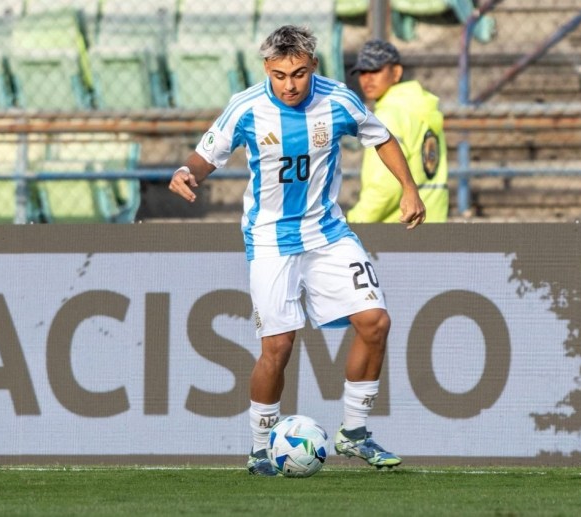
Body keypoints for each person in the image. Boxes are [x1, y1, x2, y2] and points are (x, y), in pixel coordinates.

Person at [169, 25, 425, 476]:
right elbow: (205, 156)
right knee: (278, 346)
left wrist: (409, 188)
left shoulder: (338, 100)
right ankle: (259, 448)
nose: (290, 85)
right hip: (271, 239)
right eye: (280, 75)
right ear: (266, 69)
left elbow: (382, 137)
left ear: (313, 67)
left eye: (299, 74)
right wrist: (186, 173)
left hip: (327, 232)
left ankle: (354, 432)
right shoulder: (246, 107)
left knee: (375, 322)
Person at [347, 39, 449, 223]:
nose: (367, 79)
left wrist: (354, 222)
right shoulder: (424, 110)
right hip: (433, 221)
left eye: (375, 70)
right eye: (362, 72)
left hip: (398, 227)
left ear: (396, 72)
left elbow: (385, 187)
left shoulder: (388, 116)